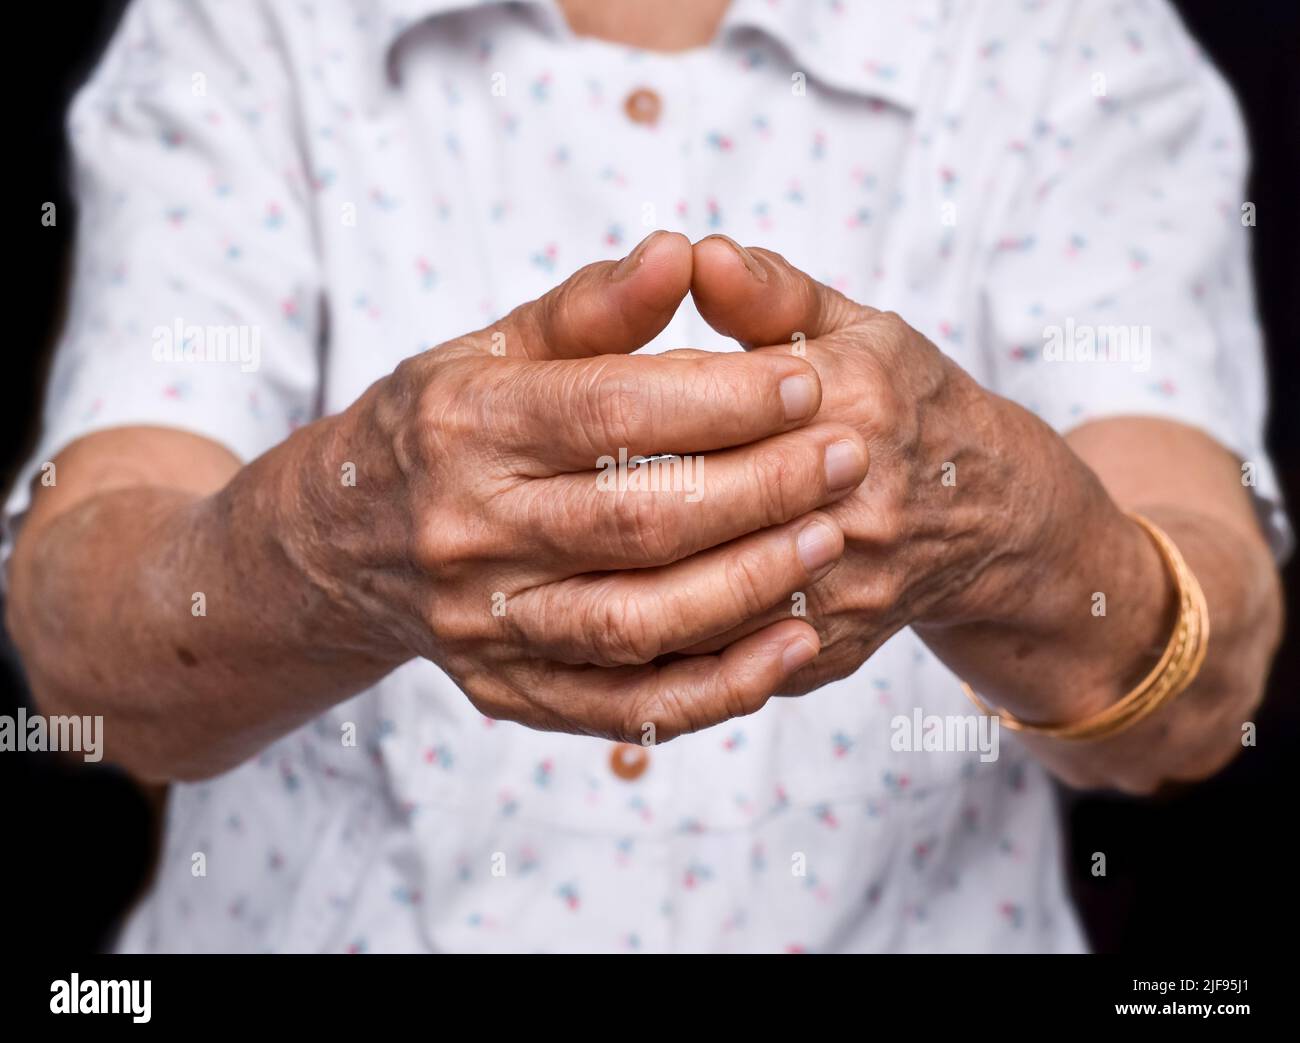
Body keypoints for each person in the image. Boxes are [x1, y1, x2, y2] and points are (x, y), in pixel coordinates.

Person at [4, 0, 1285, 952]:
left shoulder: (1072, 40)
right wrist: (333, 540)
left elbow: (1203, 688)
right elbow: (83, 645)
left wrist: (1007, 524)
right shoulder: (247, 27)